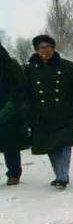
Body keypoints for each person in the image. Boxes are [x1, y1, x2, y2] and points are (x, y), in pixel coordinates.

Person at [24, 35, 73, 189]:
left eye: (47, 47)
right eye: (41, 48)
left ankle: (62, 176)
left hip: (65, 112)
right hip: (42, 114)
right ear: (36, 50)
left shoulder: (67, 66)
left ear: (53, 48)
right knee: (50, 146)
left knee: (64, 144)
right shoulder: (29, 69)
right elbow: (26, 92)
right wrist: (28, 109)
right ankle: (59, 175)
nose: (44, 51)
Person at [0, 43, 30, 185]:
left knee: (10, 145)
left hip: (9, 111)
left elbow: (20, 87)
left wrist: (10, 106)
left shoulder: (10, 64)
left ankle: (14, 174)